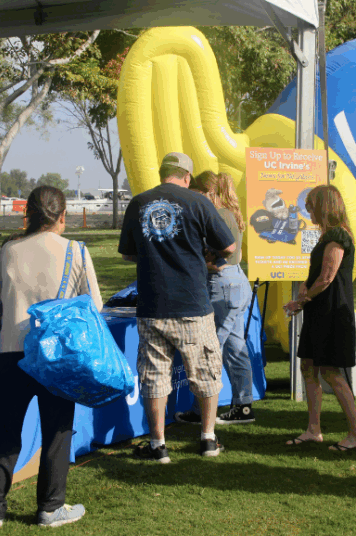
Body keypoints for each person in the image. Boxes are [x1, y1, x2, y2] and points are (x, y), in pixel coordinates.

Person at [0, 186, 102, 528]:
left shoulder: (7, 251)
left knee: (6, 430)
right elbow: (94, 307)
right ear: (62, 216)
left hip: (12, 353)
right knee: (58, 431)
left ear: (29, 215)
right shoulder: (76, 251)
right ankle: (51, 507)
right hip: (58, 358)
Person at [118, 152, 236, 463]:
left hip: (153, 304)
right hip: (192, 304)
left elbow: (128, 254)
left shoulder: (139, 203)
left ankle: (158, 446)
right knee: (206, 372)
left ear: (162, 173)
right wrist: (203, 254)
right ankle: (208, 439)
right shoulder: (198, 203)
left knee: (154, 376)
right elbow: (230, 246)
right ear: (186, 176)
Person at [283, 185, 356, 451]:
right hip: (318, 312)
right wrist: (304, 294)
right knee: (308, 367)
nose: (308, 211)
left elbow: (327, 277)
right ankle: (313, 430)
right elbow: (317, 276)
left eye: (311, 206)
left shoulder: (338, 236)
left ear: (324, 206)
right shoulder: (324, 236)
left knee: (332, 373)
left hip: (332, 313)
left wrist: (301, 300)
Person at [175, 171, 256, 426]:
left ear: (207, 192)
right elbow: (236, 257)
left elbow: (214, 259)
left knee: (208, 350)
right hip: (237, 284)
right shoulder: (231, 213)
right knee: (234, 347)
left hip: (221, 287)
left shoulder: (216, 215)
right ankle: (243, 406)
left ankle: (201, 411)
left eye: (196, 194)